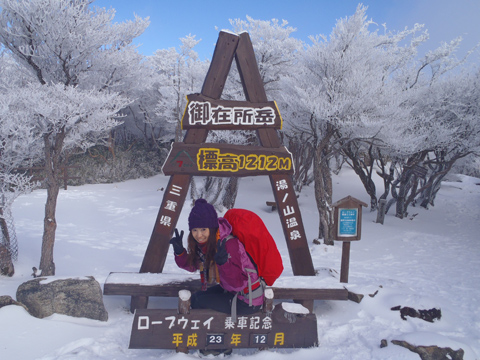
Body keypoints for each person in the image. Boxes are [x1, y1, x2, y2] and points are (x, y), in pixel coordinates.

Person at [169, 198, 264, 318]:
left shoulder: (229, 245)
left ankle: (208, 331)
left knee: (198, 302)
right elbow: (195, 266)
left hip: (247, 300)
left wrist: (224, 264)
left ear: (212, 228)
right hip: (231, 290)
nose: (199, 235)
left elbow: (238, 283)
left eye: (203, 229)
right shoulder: (208, 244)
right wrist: (180, 253)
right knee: (196, 297)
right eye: (195, 230)